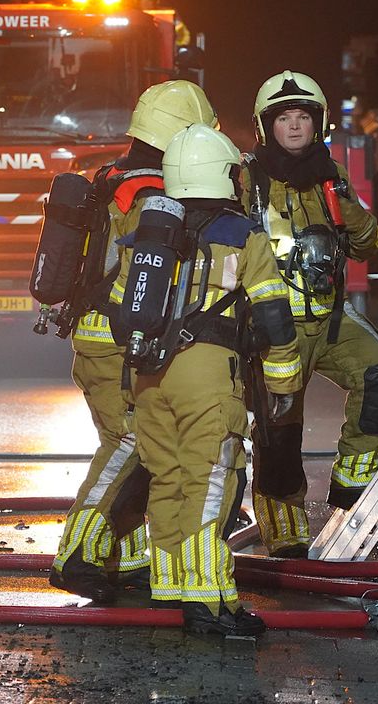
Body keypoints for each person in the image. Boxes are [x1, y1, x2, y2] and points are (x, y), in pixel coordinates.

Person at [51, 80, 219, 604]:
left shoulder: (112, 177)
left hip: (95, 334)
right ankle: (77, 553)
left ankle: (126, 558)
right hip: (116, 342)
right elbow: (140, 280)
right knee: (128, 443)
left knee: (144, 447)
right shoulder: (152, 194)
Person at [131, 123, 300, 635]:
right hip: (206, 376)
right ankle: (207, 603)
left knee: (167, 480)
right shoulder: (244, 236)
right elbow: (273, 320)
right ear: (223, 176)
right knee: (210, 487)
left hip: (147, 376)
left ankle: (170, 589)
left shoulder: (146, 231)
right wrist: (283, 387)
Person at [239, 70, 378, 557]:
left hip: (329, 321)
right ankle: (286, 540)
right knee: (279, 439)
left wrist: (341, 200)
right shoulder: (246, 179)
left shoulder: (331, 177)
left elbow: (368, 243)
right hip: (272, 331)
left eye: (303, 118)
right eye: (285, 118)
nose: (294, 127)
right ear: (266, 126)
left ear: (319, 124)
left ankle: (350, 488)